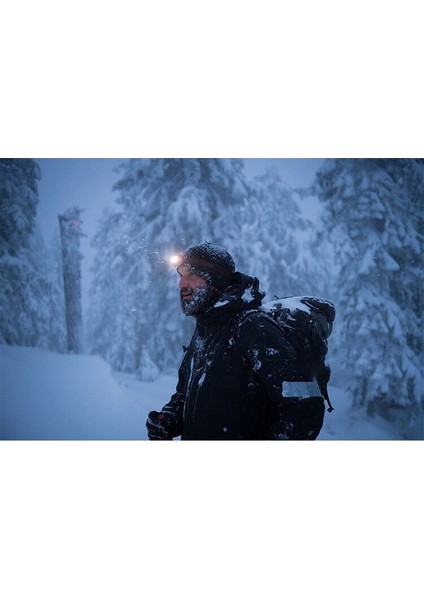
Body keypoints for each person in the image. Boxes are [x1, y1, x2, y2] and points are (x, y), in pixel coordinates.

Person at [146, 242, 325, 440]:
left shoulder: (252, 328)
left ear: (215, 279)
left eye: (192, 275)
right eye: (181, 276)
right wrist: (168, 420)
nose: (181, 285)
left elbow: (306, 406)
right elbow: (185, 396)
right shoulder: (205, 332)